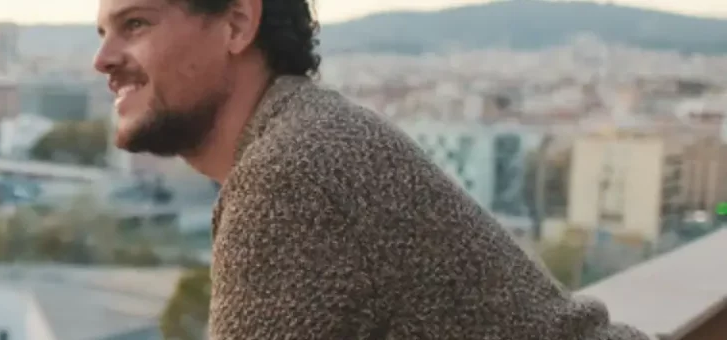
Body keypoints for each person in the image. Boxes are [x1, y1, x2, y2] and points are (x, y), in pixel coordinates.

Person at [92, 0, 653, 339]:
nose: (103, 59)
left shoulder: (287, 174)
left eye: (136, 23)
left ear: (237, 23)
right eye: (103, 33)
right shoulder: (311, 128)